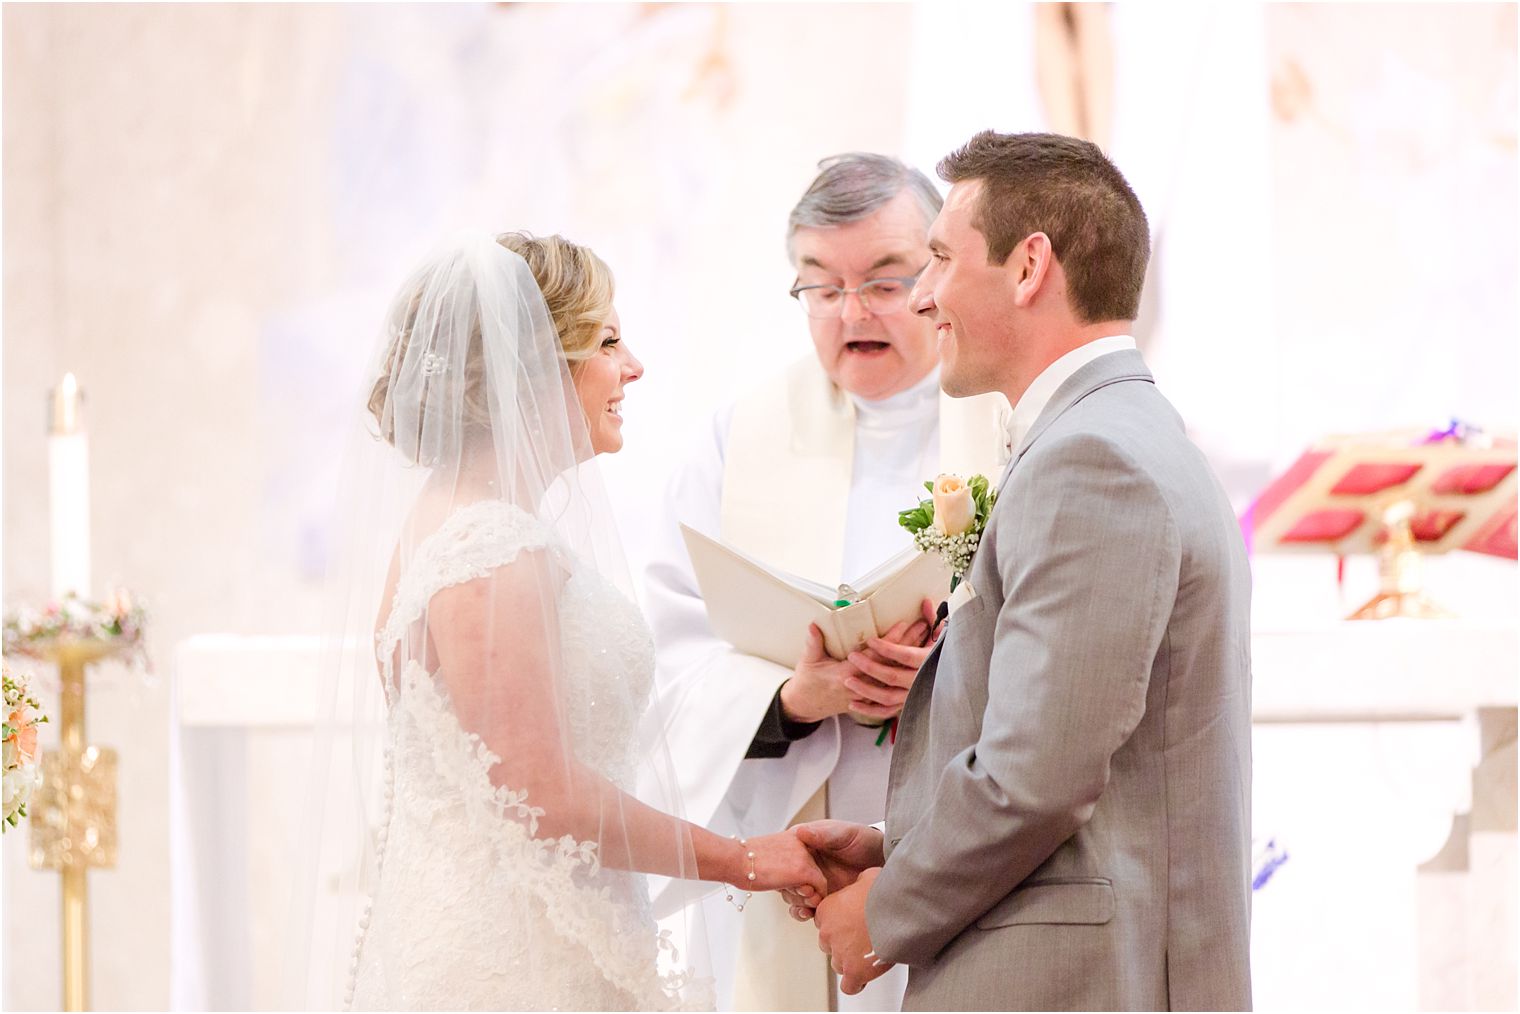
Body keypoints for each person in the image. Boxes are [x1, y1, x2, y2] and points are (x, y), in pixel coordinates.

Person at [293, 231, 826, 1012]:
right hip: (515, 962)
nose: (633, 367)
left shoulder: (462, 524)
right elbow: (543, 792)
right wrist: (744, 859)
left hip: (523, 937)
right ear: (533, 369)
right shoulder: (490, 546)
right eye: (608, 342)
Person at [791, 131, 1254, 1011]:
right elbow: (1090, 755)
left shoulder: (1093, 462)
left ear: (1029, 265)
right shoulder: (1120, 435)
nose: (924, 297)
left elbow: (1038, 775)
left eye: (936, 259)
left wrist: (884, 912)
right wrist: (897, 841)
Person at [644, 154, 1010, 1011]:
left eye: (885, 283)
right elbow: (670, 651)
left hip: (963, 848)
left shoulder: (1008, 424)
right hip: (783, 853)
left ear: (938, 272)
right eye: (821, 288)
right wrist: (790, 699)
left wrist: (941, 680)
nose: (852, 314)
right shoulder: (736, 443)